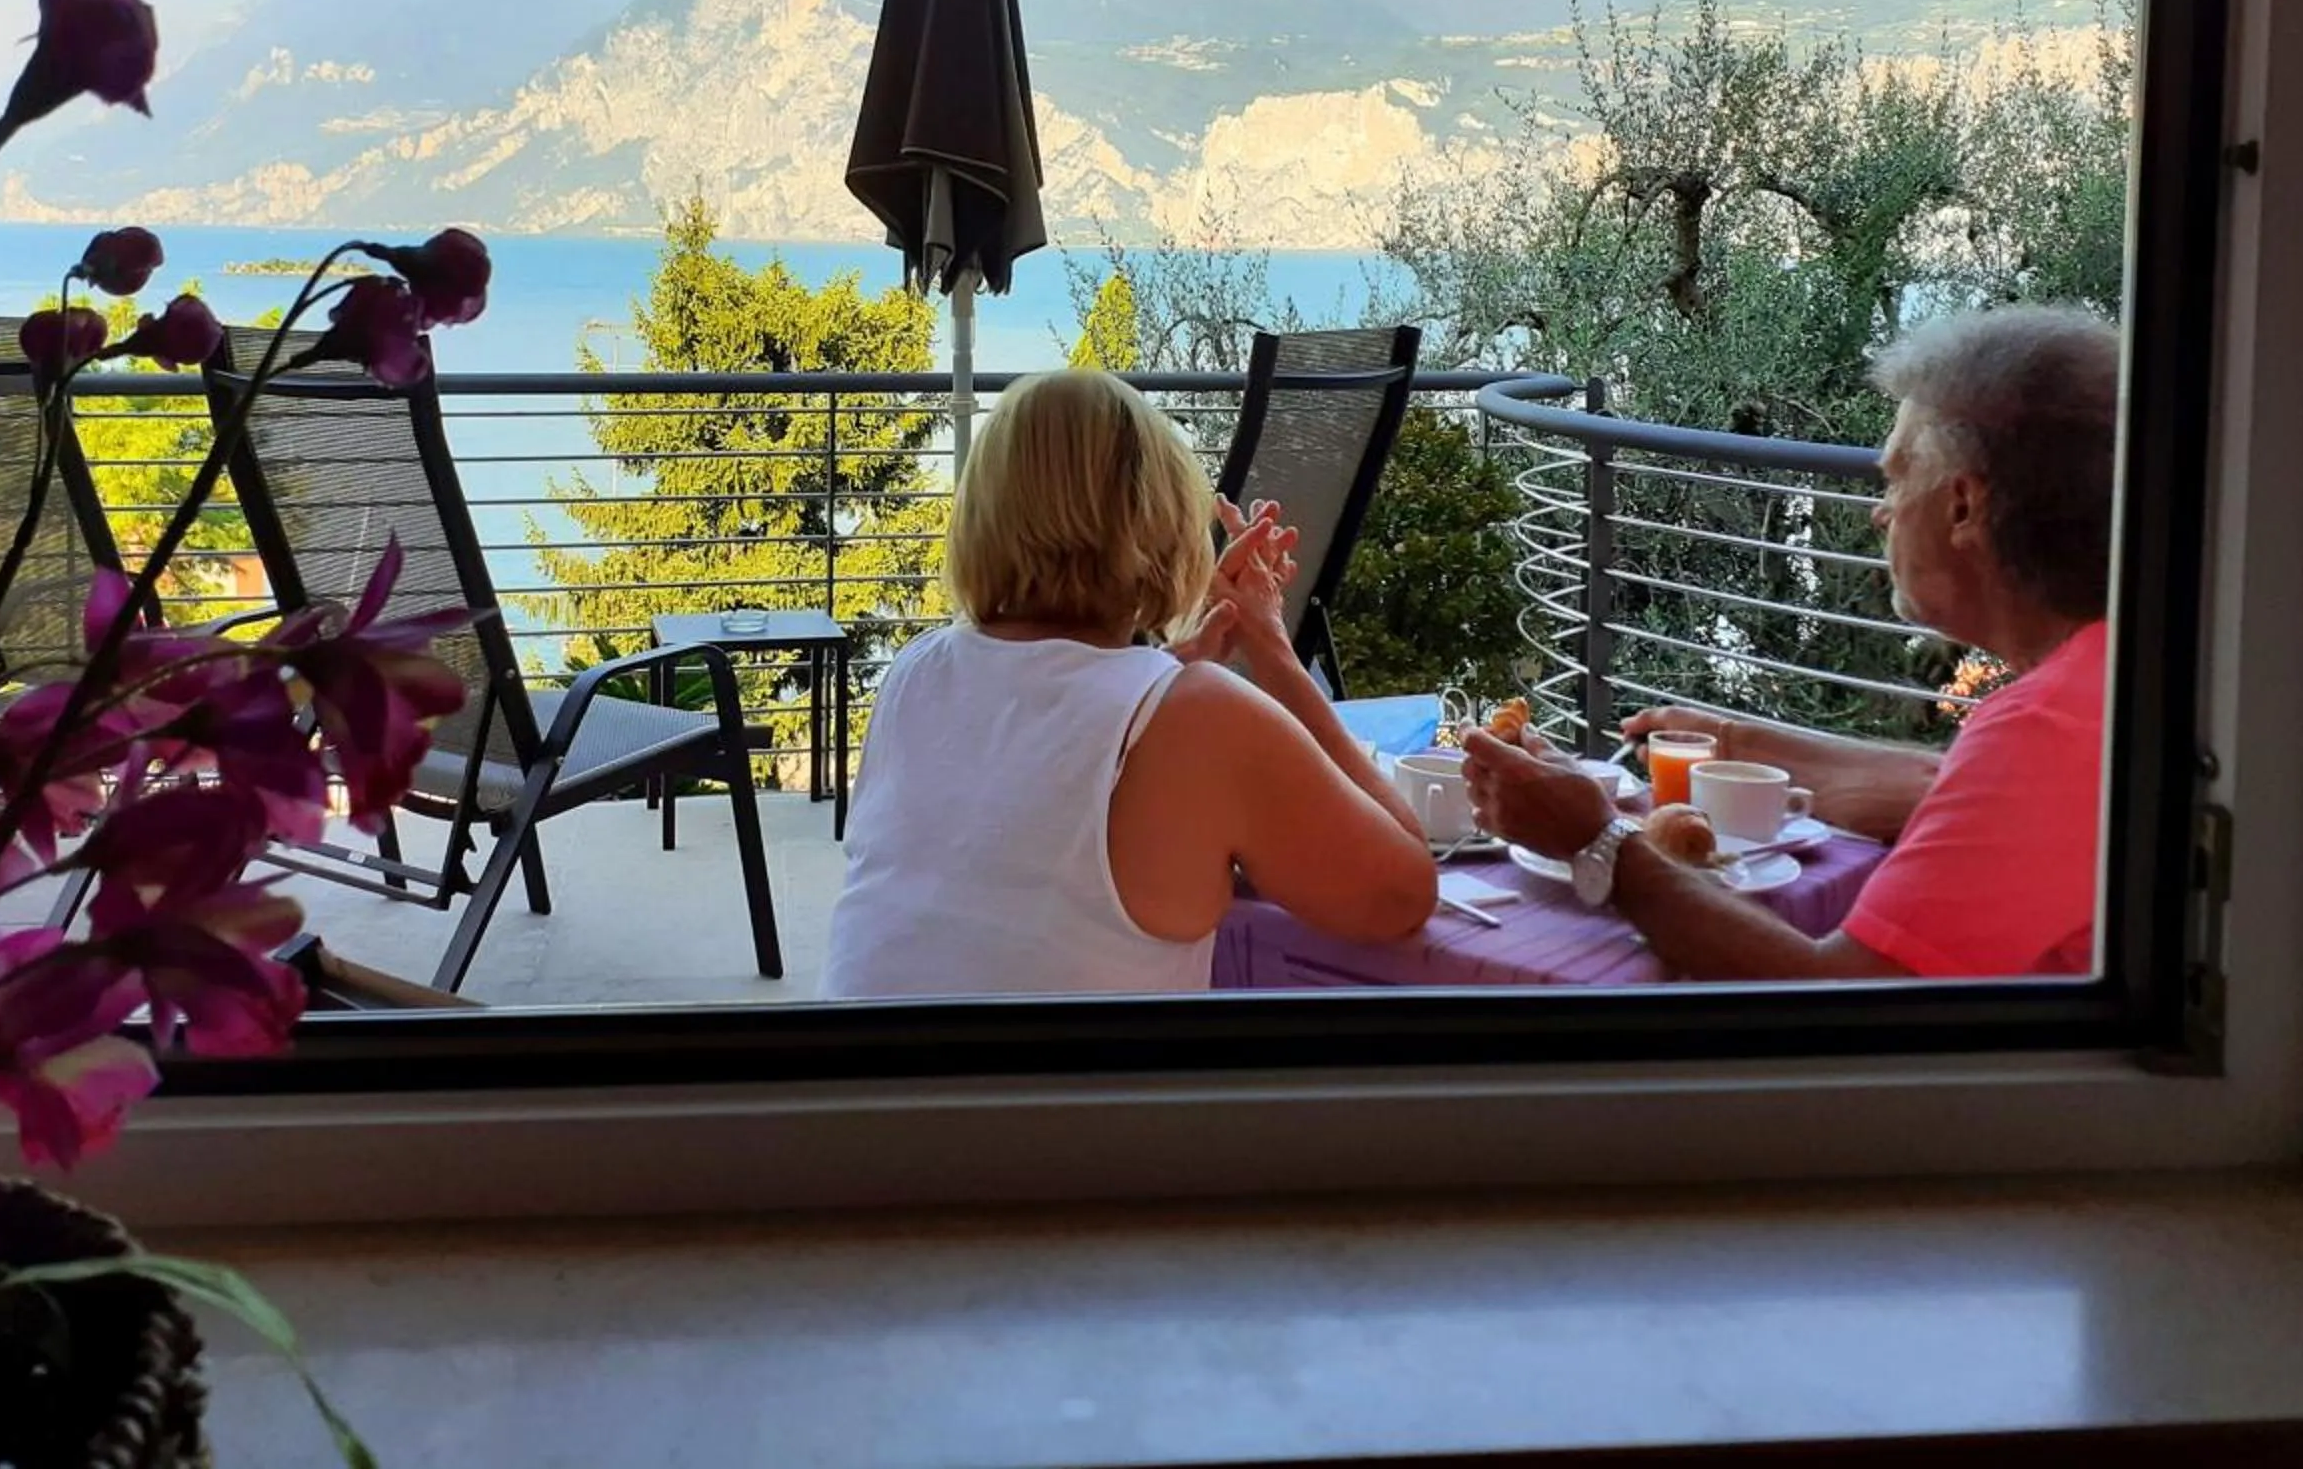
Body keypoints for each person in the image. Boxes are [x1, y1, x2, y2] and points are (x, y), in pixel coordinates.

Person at [1460, 304, 2120, 981]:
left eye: (1896, 477)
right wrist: (1735, 745)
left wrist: (1600, 842)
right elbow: (1946, 789)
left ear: (1962, 507)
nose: (1880, 510)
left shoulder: (2046, 731)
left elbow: (1835, 1000)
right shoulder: (2114, 677)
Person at [822, 368, 1437, 998]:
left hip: (855, 1087)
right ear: (1161, 521)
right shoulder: (1199, 718)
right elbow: (1402, 895)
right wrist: (1271, 646)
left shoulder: (917, 671)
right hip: (1069, 1097)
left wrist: (1171, 671)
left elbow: (1012, 833)